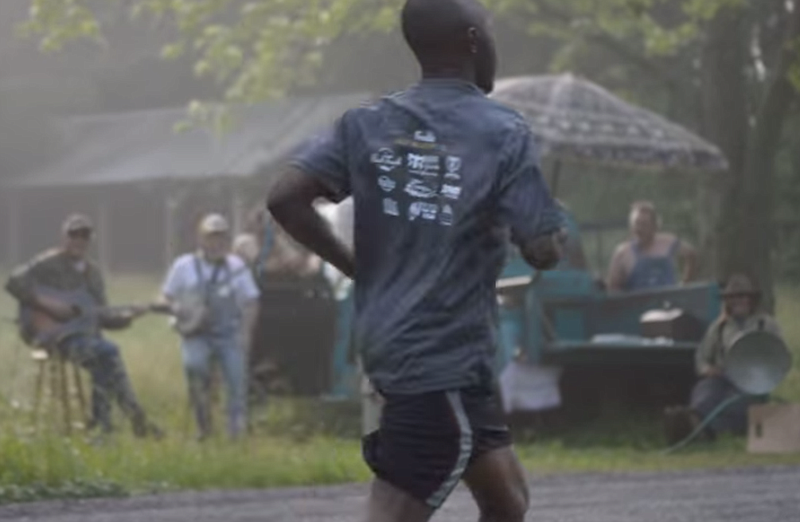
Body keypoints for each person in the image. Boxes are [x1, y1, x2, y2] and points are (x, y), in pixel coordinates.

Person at [266, 0, 564, 520]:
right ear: (473, 41)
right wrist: (547, 217)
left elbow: (285, 197)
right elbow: (543, 251)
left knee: (508, 502)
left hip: (428, 353)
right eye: (490, 32)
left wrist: (355, 266)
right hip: (438, 357)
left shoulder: (366, 123)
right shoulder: (502, 130)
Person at [4, 214, 162, 439]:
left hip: (86, 337)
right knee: (109, 353)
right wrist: (49, 304)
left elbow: (103, 316)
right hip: (53, 336)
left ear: (90, 240)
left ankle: (105, 428)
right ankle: (128, 420)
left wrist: (130, 316)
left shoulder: (93, 274)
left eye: (84, 236)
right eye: (73, 235)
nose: (79, 240)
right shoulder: (48, 262)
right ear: (64, 238)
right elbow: (13, 282)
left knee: (104, 364)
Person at [160, 213, 260, 441]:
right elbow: (166, 296)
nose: (216, 243)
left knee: (236, 381)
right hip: (196, 334)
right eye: (211, 237)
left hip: (228, 334)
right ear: (201, 239)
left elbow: (252, 301)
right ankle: (203, 428)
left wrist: (245, 334)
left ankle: (236, 433)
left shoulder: (237, 267)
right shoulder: (183, 265)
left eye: (221, 238)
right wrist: (180, 312)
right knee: (195, 368)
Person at [663, 273, 782, 445]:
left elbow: (779, 357)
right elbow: (702, 357)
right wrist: (708, 370)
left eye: (741, 296)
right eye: (732, 297)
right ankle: (690, 419)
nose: (737, 301)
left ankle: (700, 430)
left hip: (753, 383)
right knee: (705, 392)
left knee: (736, 405)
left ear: (750, 299)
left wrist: (763, 375)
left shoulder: (766, 325)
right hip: (722, 377)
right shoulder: (719, 327)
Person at [606, 200, 697, 292]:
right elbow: (612, 290)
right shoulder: (622, 253)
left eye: (644, 224)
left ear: (654, 226)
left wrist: (685, 285)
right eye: (636, 224)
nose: (639, 229)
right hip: (637, 304)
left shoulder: (667, 242)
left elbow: (691, 254)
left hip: (669, 302)